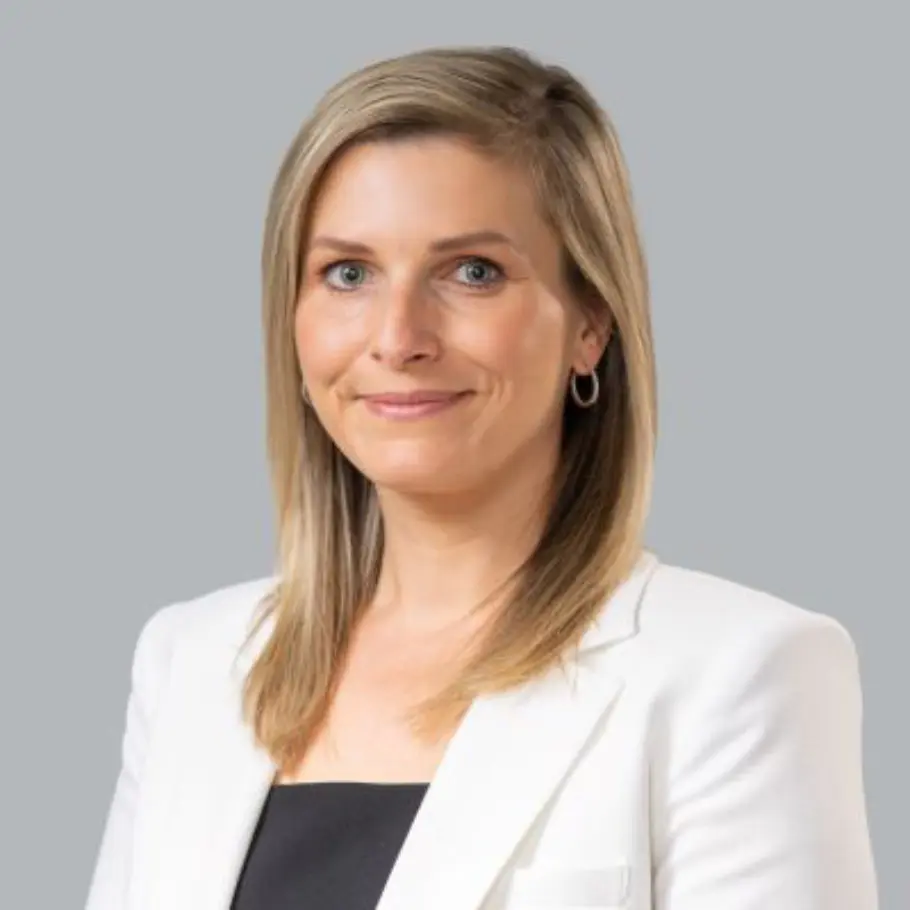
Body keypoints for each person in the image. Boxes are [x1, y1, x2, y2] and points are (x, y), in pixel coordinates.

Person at [84, 45, 878, 910]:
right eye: (347, 274)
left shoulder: (738, 670)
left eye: (473, 272)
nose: (398, 337)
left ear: (590, 325)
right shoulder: (191, 662)